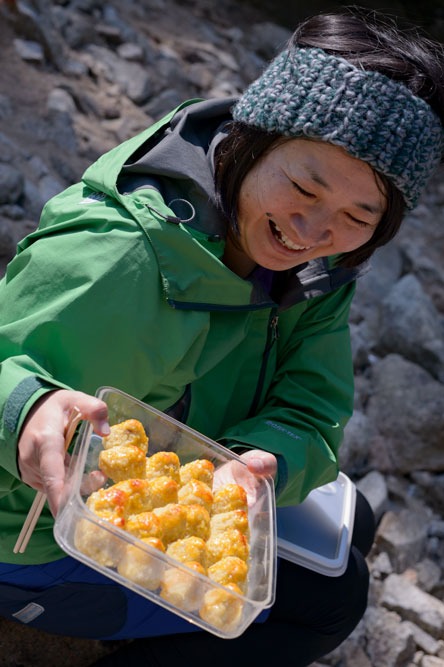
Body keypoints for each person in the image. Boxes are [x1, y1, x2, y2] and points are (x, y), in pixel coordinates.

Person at [0, 5, 443, 666]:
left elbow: (312, 403)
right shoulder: (119, 256)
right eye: (303, 186)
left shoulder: (318, 269)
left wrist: (265, 456)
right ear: (256, 134)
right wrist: (25, 410)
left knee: (356, 528)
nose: (314, 231)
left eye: (358, 215)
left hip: (180, 462)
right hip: (33, 539)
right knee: (330, 602)